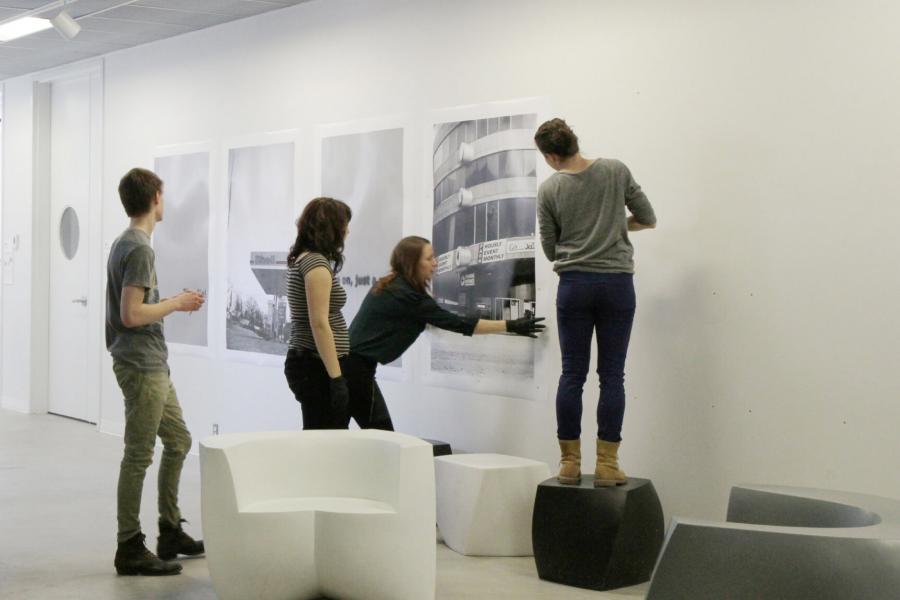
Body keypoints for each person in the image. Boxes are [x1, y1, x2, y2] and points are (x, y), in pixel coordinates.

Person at [534, 118, 657, 487]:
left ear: (552, 155)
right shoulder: (615, 171)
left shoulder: (549, 189)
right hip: (617, 285)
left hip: (574, 285)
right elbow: (648, 218)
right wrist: (617, 226)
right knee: (612, 375)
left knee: (572, 373)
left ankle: (569, 463)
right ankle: (607, 464)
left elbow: (549, 246)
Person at [107, 168, 206, 576]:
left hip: (151, 363)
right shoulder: (140, 249)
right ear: (155, 199)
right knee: (138, 455)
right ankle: (129, 544)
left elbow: (133, 307)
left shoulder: (126, 243)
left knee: (179, 441)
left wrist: (168, 300)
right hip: (141, 364)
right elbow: (131, 314)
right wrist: (177, 304)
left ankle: (169, 529)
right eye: (163, 195)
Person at [345, 236, 546, 430]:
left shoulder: (390, 285)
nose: (435, 263)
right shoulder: (409, 297)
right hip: (356, 370)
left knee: (339, 432)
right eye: (429, 258)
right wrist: (511, 326)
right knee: (383, 437)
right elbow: (458, 323)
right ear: (412, 263)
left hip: (346, 365)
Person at [283, 197, 353, 429]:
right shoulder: (315, 264)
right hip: (316, 367)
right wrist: (336, 378)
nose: (347, 231)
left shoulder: (305, 259)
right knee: (325, 442)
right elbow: (319, 324)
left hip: (311, 364)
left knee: (320, 438)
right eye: (344, 225)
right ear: (332, 228)